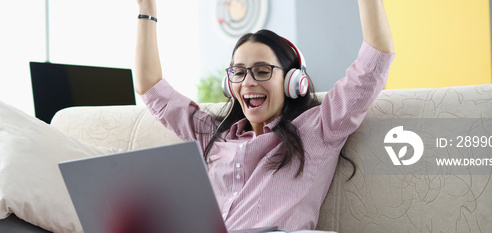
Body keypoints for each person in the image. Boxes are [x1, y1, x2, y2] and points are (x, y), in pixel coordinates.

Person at [134, 0, 394, 231]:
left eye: (262, 71)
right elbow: (151, 89)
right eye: (239, 72)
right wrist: (147, 10)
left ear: (293, 81)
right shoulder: (213, 135)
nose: (247, 82)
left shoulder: (317, 130)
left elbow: (375, 60)